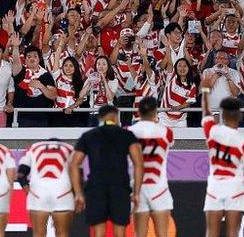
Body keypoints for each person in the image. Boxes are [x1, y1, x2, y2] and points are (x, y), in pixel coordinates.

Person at [69, 105, 144, 237]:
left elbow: (74, 164)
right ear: (116, 117)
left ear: (99, 118)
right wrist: (137, 193)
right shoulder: (127, 135)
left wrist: (78, 193)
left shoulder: (88, 136)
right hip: (120, 187)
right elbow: (138, 163)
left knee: (98, 232)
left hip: (96, 187)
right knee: (120, 232)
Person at [200, 75, 244, 237]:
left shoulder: (211, 130)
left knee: (211, 233)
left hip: (215, 187)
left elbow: (206, 113)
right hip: (236, 188)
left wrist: (205, 91)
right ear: (239, 116)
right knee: (233, 233)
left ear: (222, 115)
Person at [128, 97, 174, 237]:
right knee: (162, 234)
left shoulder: (129, 131)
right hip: (158, 187)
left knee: (139, 234)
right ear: (155, 111)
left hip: (138, 187)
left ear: (138, 112)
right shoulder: (167, 132)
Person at [17, 138, 75, 237]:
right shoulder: (70, 149)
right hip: (62, 194)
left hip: (38, 194)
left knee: (38, 234)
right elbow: (77, 175)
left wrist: (28, 191)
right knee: (62, 234)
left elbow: (21, 174)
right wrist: (75, 194)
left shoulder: (33, 148)